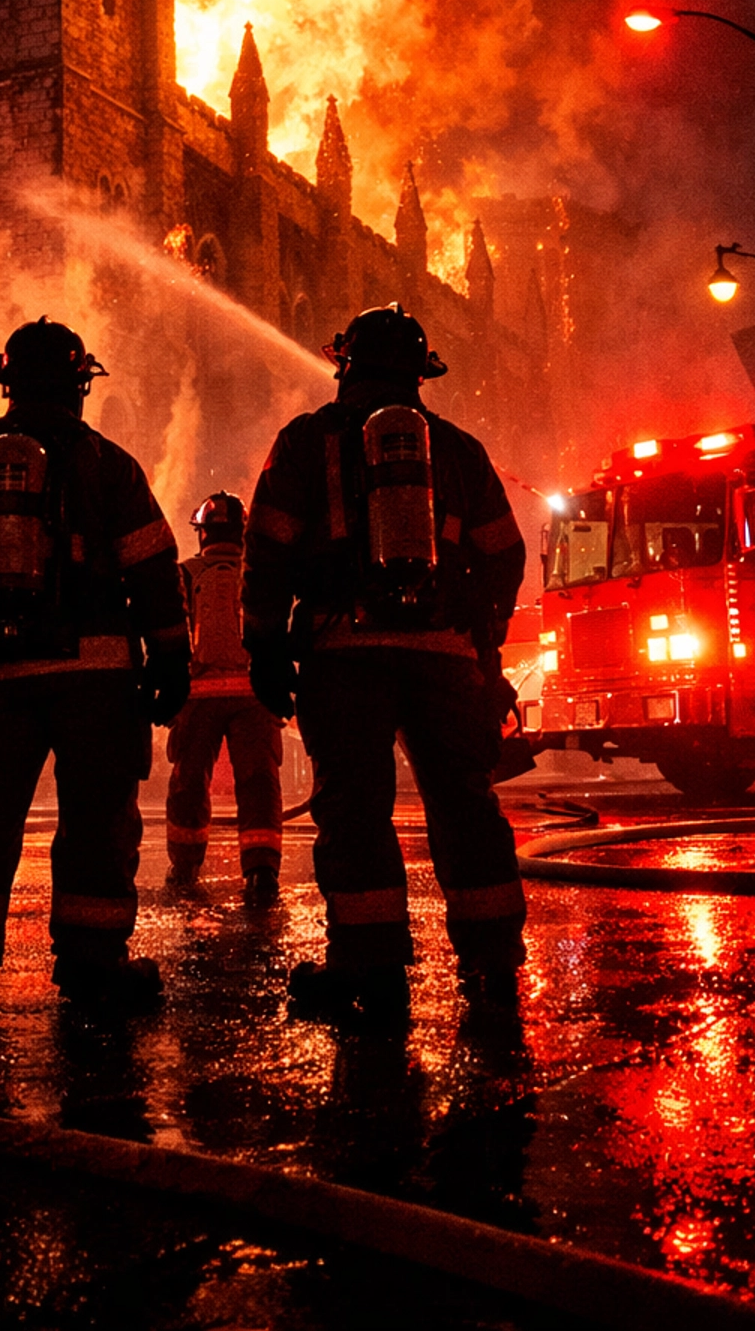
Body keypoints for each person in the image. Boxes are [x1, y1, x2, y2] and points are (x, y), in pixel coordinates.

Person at [243, 306, 528, 1023]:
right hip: (446, 659)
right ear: (420, 371)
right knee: (466, 804)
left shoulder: (307, 442)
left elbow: (268, 552)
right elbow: (505, 554)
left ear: (344, 363)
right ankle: (492, 964)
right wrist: (483, 643)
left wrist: (267, 648)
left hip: (345, 657)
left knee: (356, 809)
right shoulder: (458, 450)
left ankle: (370, 970)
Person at [0, 319, 189, 1013]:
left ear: (5, 386)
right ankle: (93, 965)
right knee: (97, 822)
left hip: (1, 678)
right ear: (80, 386)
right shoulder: (108, 465)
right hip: (97, 680)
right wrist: (171, 659)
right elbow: (153, 569)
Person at [165, 491, 284, 905]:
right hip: (255, 695)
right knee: (259, 782)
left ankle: (184, 867)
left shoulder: (186, 573)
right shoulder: (260, 573)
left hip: (198, 698)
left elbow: (171, 637)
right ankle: (262, 870)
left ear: (203, 533)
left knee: (189, 783)